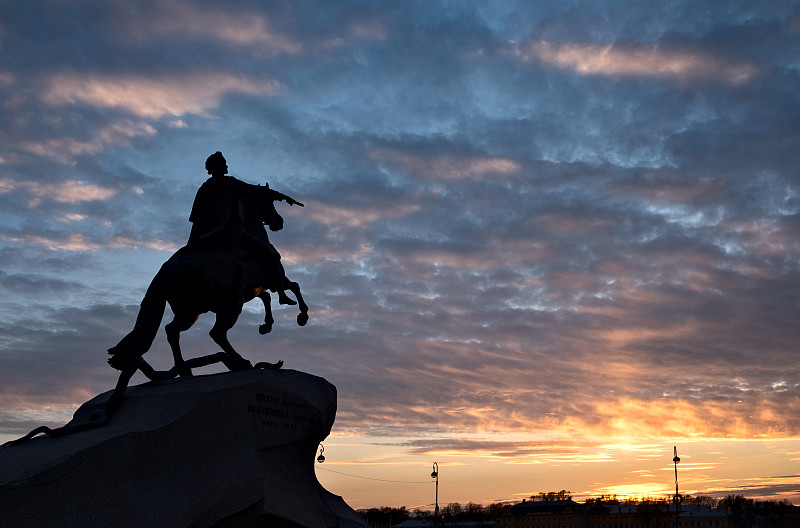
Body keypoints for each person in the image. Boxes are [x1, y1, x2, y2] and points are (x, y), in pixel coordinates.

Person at [186, 151, 302, 304]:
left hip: (204, 239)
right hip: (230, 235)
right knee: (271, 255)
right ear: (220, 167)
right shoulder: (230, 183)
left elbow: (195, 219)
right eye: (224, 163)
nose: (227, 165)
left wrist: (192, 244)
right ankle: (281, 294)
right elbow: (256, 190)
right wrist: (283, 196)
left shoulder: (203, 189)